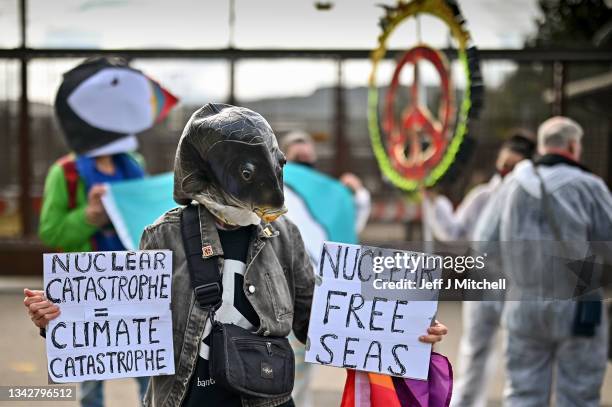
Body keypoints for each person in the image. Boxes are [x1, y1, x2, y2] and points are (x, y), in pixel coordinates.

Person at [26, 103, 449, 407]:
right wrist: (60, 321)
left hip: (266, 397)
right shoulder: (163, 235)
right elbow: (124, 322)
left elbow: (315, 320)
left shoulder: (284, 236)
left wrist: (402, 331)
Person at [23, 57, 177, 407]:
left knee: (147, 372)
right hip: (86, 288)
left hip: (136, 285)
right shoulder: (65, 173)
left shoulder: (133, 166)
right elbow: (52, 231)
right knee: (91, 381)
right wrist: (90, 215)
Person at [473, 117, 612, 407]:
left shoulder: (511, 186)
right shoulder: (590, 187)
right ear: (573, 145)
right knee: (578, 395)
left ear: (542, 145)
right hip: (579, 309)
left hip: (522, 307)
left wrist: (516, 274)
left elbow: (483, 245)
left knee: (524, 396)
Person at [422, 132, 536, 407]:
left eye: (513, 166)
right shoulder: (484, 195)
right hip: (483, 284)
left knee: (519, 354)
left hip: (521, 288)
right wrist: (433, 200)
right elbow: (453, 231)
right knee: (474, 352)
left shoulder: (536, 199)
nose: (506, 172)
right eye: (503, 165)